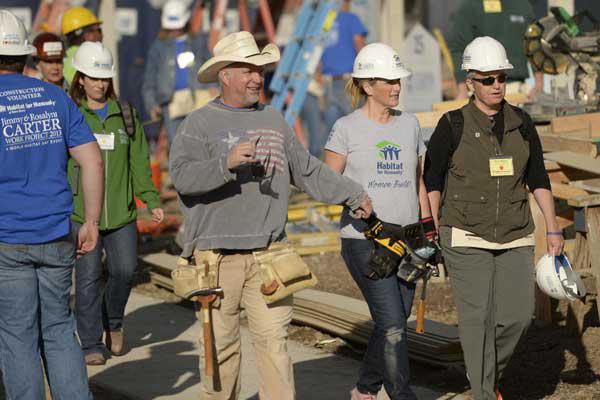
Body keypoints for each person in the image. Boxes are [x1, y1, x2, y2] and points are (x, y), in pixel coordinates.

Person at [169, 30, 373, 400]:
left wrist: (351, 194)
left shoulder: (275, 120)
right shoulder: (198, 124)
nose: (255, 77)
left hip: (270, 258)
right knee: (222, 354)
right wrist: (224, 164)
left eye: (260, 70)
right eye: (246, 70)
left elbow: (307, 170)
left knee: (275, 349)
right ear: (224, 75)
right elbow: (181, 177)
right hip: (217, 261)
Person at [424, 37, 564, 400]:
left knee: (518, 317)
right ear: (470, 81)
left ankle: (483, 374)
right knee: (477, 319)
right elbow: (433, 179)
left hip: (515, 233)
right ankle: (484, 393)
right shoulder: (452, 124)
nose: (496, 85)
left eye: (500, 77)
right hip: (465, 233)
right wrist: (432, 230)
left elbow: (539, 179)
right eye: (487, 79)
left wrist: (553, 228)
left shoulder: (522, 123)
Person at [0, 10, 103, 399]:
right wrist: (91, 222)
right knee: (59, 329)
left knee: (17, 335)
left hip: (7, 240)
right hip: (57, 234)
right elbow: (91, 159)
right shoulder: (54, 96)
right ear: (26, 54)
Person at [324, 43, 433, 400]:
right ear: (368, 85)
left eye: (398, 80)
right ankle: (402, 395)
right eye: (388, 81)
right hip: (364, 241)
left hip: (407, 239)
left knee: (395, 322)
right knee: (391, 325)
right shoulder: (346, 128)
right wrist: (352, 200)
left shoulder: (410, 125)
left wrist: (428, 230)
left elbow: (418, 181)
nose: (397, 86)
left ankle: (364, 390)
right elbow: (327, 181)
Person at [68, 41, 164, 365]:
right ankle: (90, 344)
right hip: (82, 214)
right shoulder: (70, 114)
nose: (100, 83)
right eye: (93, 77)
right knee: (88, 279)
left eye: (104, 77)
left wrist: (149, 199)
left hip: (122, 214)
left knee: (125, 270)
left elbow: (139, 161)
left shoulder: (124, 114)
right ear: (80, 78)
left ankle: (114, 321)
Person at [142, 0, 214, 144]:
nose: (174, 30)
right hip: (171, 102)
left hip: (198, 100)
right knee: (177, 145)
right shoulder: (158, 48)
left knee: (202, 144)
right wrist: (152, 104)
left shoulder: (197, 43)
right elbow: (149, 81)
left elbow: (212, 67)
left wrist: (215, 88)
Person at [447, 0, 543, 99]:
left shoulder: (522, 5)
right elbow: (458, 47)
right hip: (482, 88)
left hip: (517, 88)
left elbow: (534, 44)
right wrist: (462, 89)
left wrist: (539, 84)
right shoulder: (470, 6)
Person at [320, 0, 367, 139]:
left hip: (327, 82)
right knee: (354, 133)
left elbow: (319, 47)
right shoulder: (351, 19)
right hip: (348, 83)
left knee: (332, 136)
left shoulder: (326, 21)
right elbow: (359, 46)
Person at [61, 6, 103, 84]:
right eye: (92, 31)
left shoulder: (71, 58)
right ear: (78, 34)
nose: (98, 35)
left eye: (99, 30)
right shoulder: (76, 60)